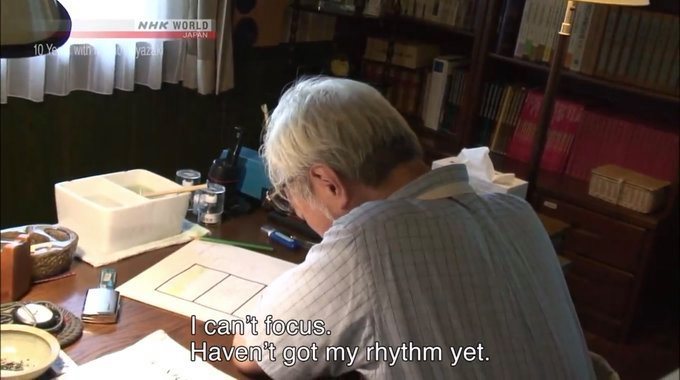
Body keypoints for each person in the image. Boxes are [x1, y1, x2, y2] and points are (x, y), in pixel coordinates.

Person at [232, 76, 595, 379]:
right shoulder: (516, 211)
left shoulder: (366, 242)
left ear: (329, 184)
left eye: (291, 199)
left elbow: (253, 352)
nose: (297, 214)